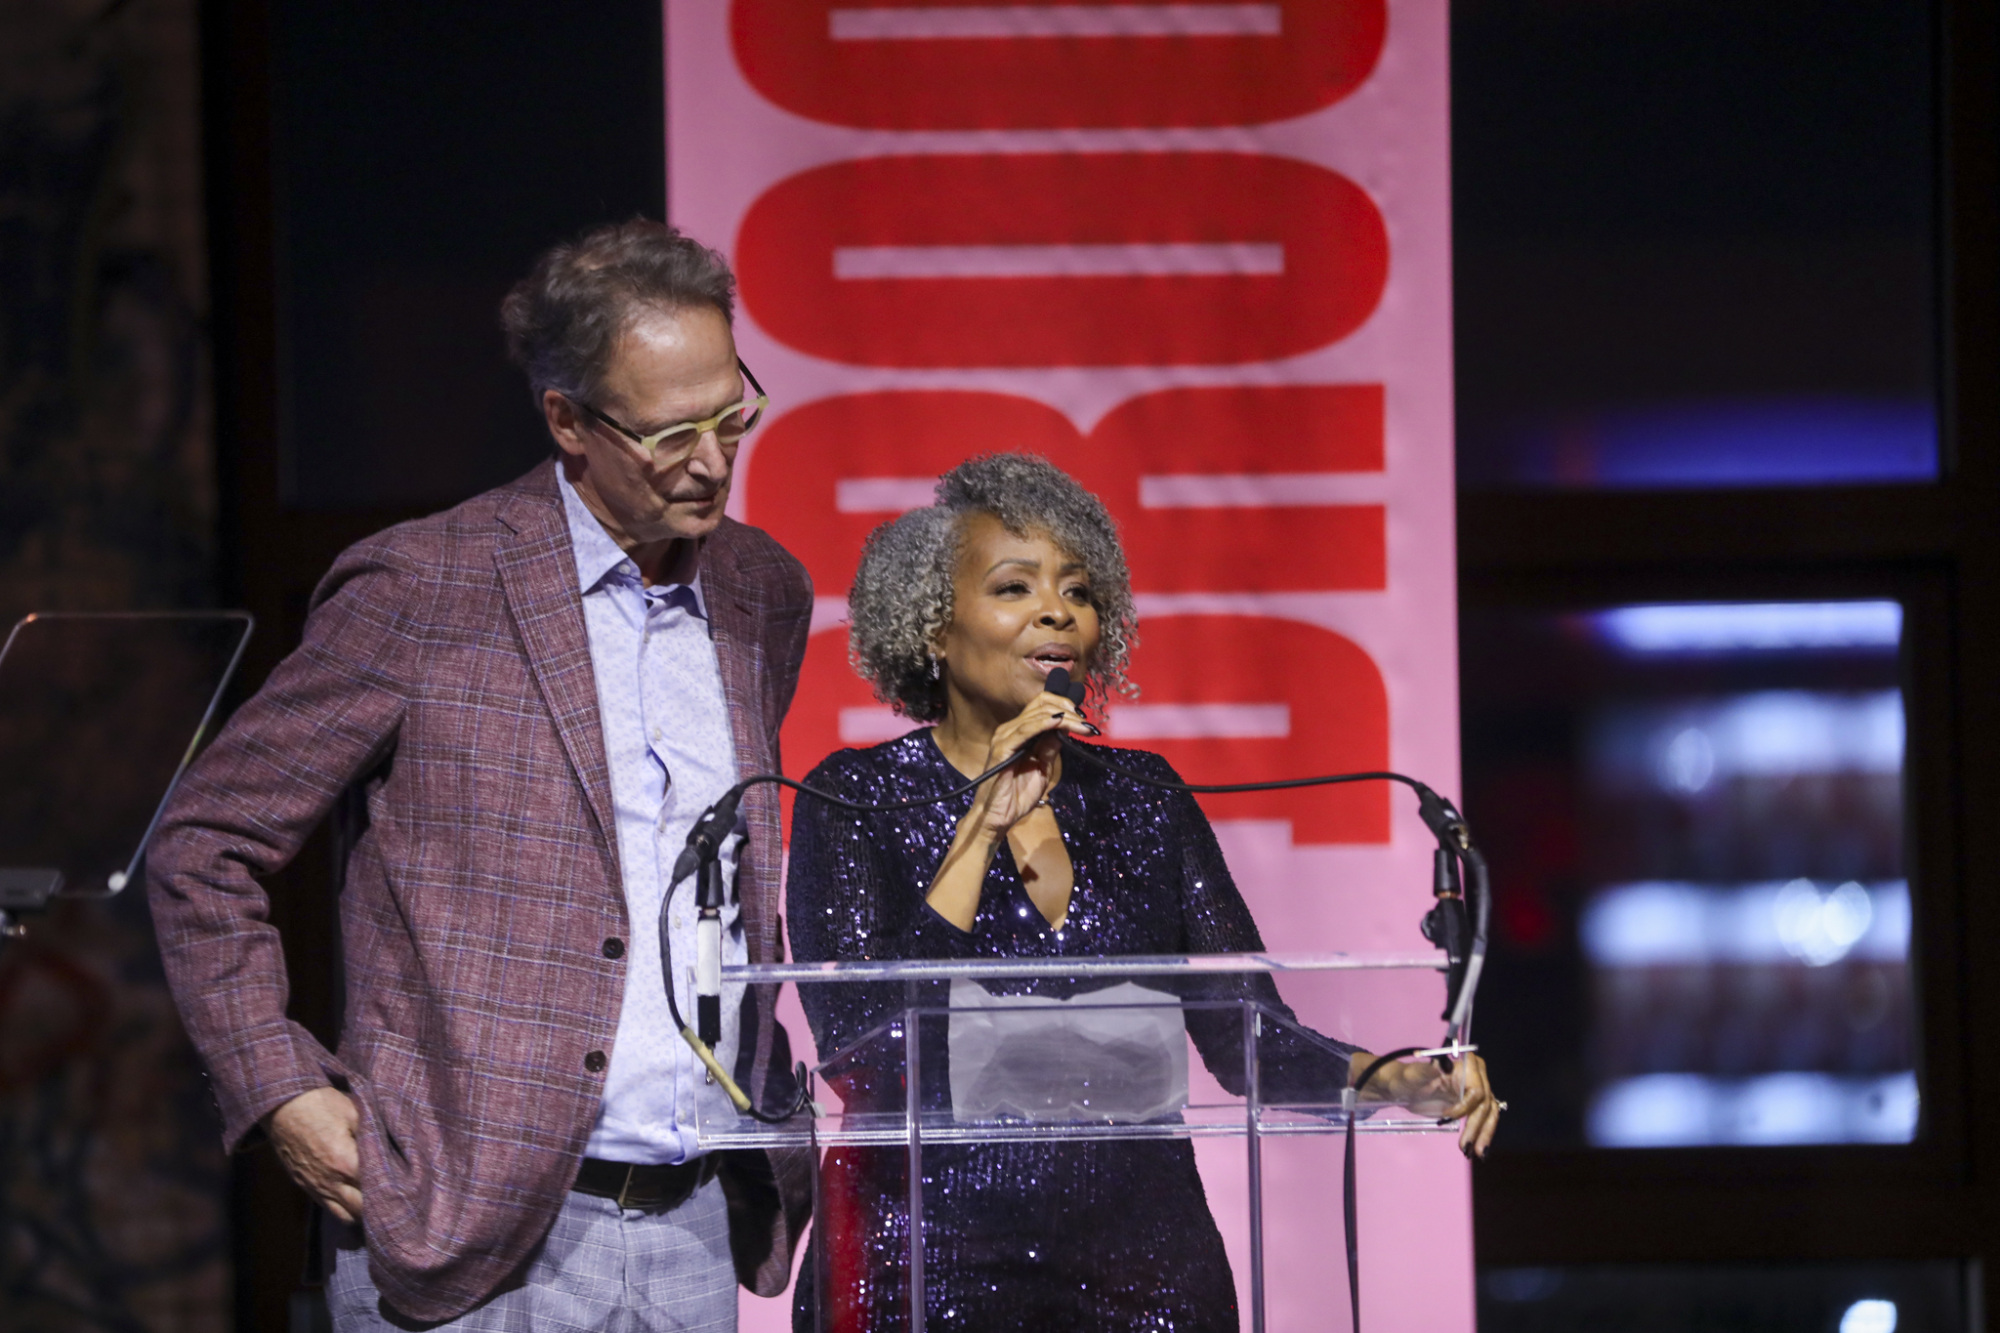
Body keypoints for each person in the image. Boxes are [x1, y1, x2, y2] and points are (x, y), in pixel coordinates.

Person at [146, 221, 814, 1330]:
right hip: (469, 1230)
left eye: (730, 411)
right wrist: (278, 1086)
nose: (711, 458)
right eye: (669, 433)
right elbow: (204, 844)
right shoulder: (427, 586)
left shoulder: (760, 592)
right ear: (568, 420)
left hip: (698, 1218)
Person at [785, 453, 1499, 1332]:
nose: (1057, 610)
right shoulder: (852, 798)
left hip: (1144, 1268)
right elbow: (865, 1054)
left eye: (1078, 593)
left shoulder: (1144, 798)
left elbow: (1250, 1040)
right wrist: (979, 828)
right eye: (1015, 587)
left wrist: (1399, 1078)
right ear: (933, 626)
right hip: (922, 1262)